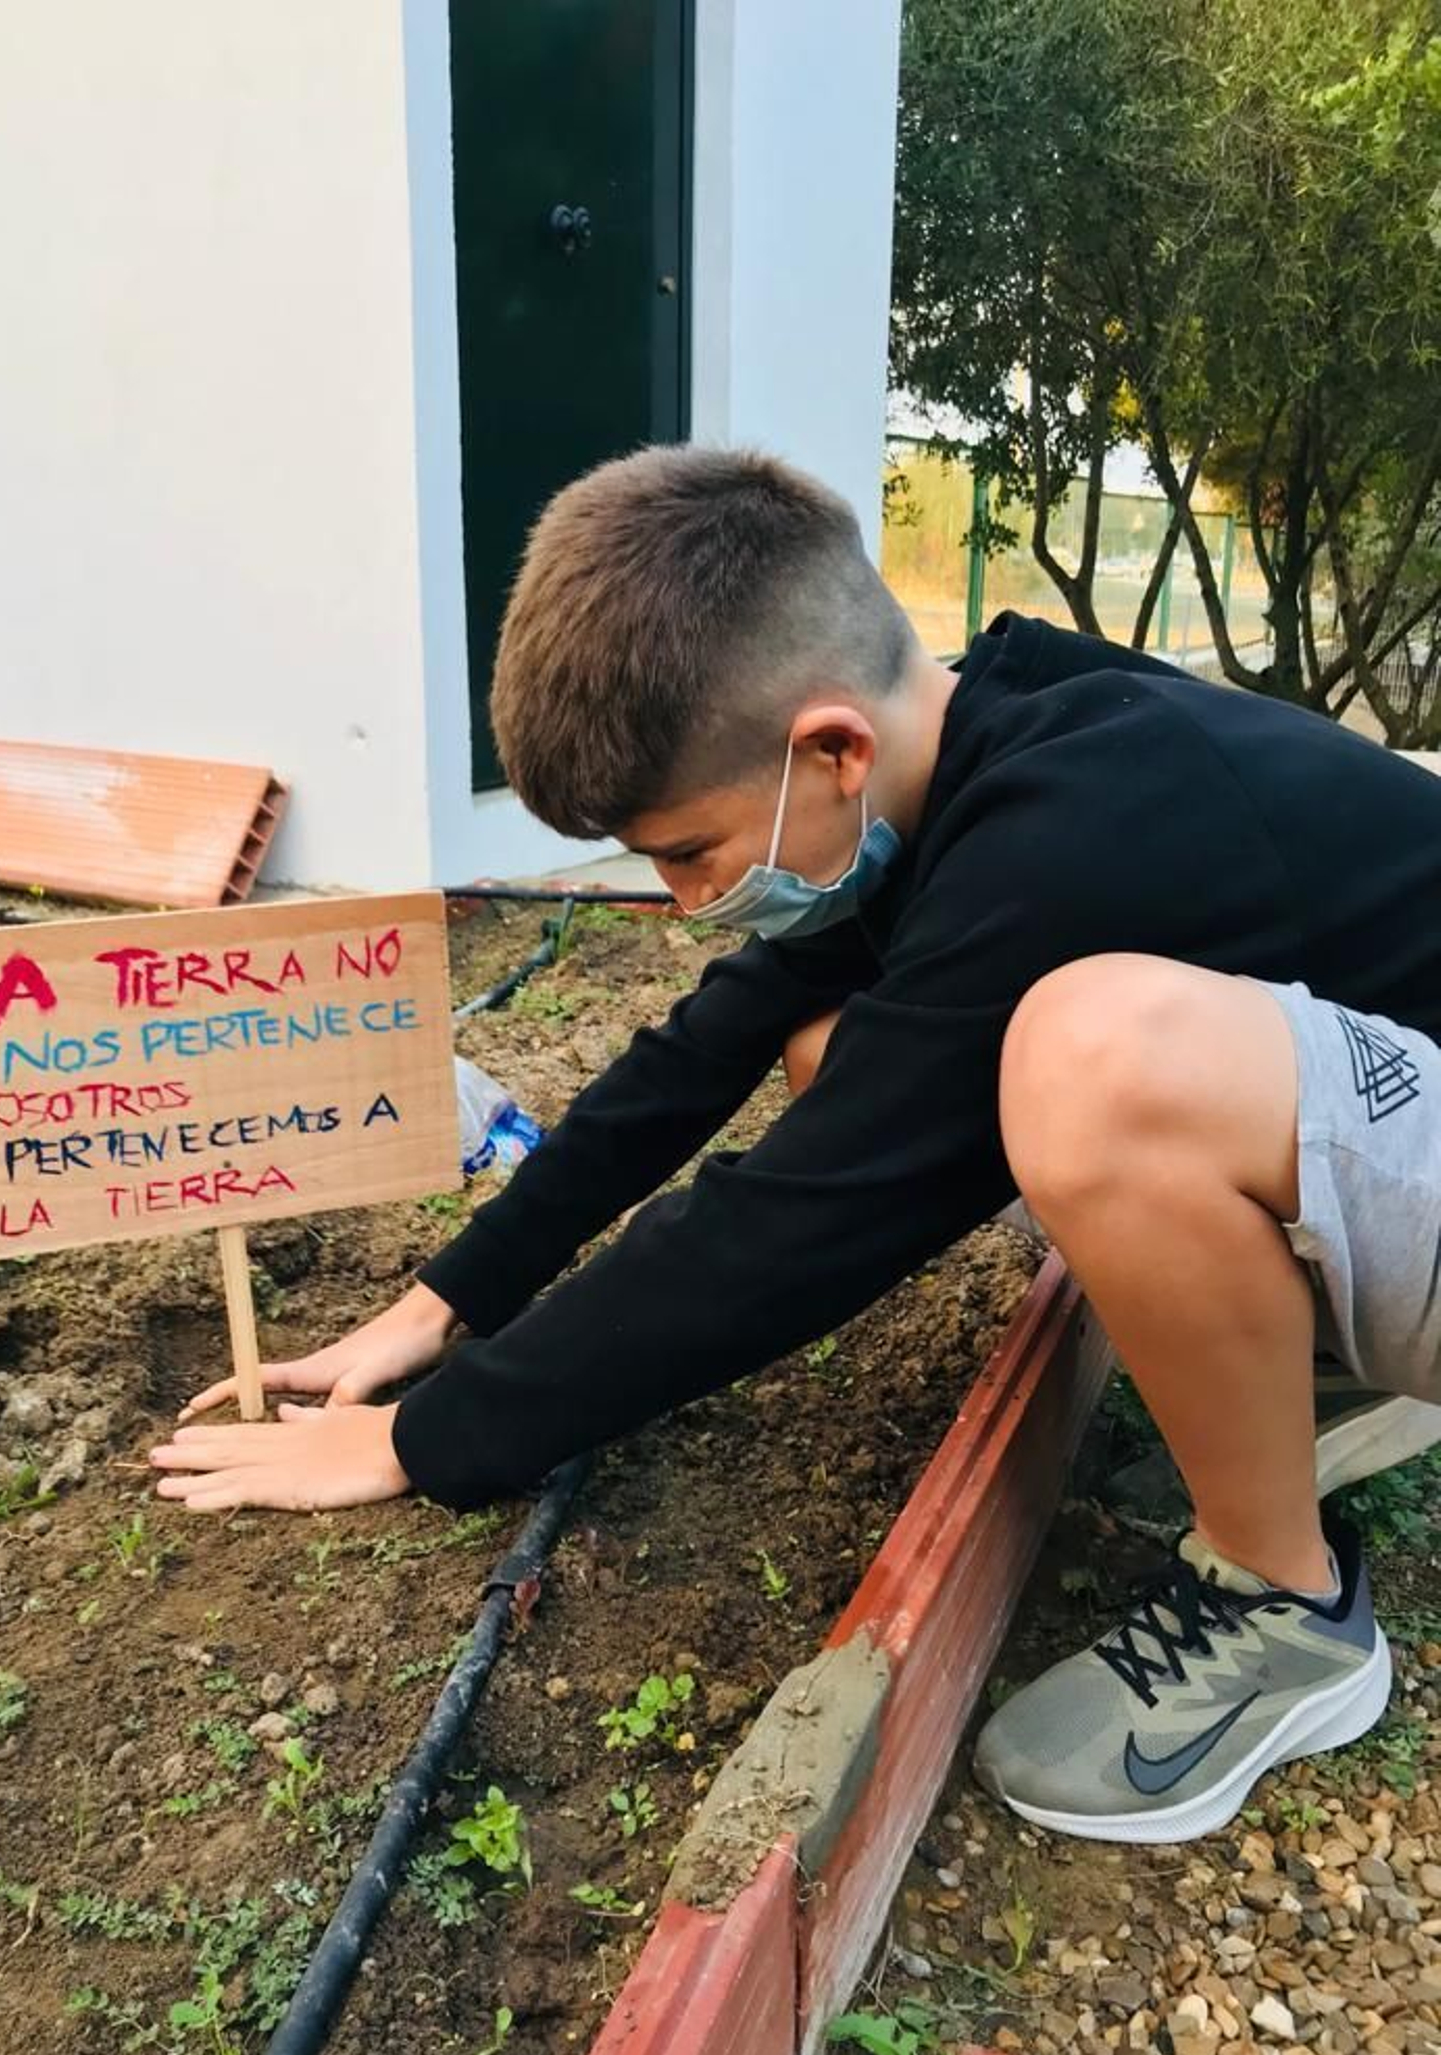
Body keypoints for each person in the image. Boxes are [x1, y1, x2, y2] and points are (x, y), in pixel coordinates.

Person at [149, 446, 1441, 1843]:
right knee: (836, 1043)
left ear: (832, 749)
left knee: (1092, 1065)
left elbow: (787, 1228)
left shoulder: (1069, 837)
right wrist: (446, 1297)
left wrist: (427, 1439)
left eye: (686, 851)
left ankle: (1285, 1605)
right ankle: (1311, 1364)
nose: (680, 900)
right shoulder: (982, 728)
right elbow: (708, 1044)